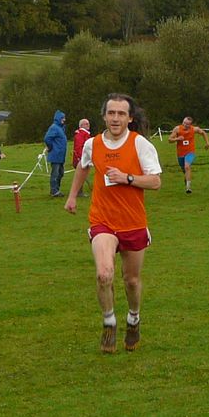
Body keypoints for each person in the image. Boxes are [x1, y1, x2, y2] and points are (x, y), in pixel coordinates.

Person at [65, 94, 161, 354]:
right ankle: (109, 322)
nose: (115, 118)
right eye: (111, 113)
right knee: (103, 273)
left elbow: (155, 182)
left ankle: (133, 318)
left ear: (130, 118)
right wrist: (73, 196)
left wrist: (126, 178)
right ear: (104, 116)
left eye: (121, 114)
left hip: (133, 222)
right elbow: (83, 167)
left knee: (131, 280)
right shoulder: (92, 144)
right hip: (102, 221)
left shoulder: (140, 145)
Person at [168, 116, 209, 194]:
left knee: (187, 166)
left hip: (190, 152)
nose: (184, 125)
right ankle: (187, 179)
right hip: (180, 153)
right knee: (185, 170)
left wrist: (207, 143)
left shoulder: (194, 129)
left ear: (190, 125)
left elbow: (203, 132)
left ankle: (188, 188)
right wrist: (177, 139)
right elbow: (169, 139)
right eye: (184, 123)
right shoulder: (177, 129)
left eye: (187, 124)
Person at [44, 109, 68, 197]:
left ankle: (56, 189)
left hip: (61, 156)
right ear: (58, 118)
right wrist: (51, 147)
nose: (64, 119)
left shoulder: (61, 128)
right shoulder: (54, 127)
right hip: (55, 155)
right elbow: (47, 138)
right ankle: (54, 191)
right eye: (63, 118)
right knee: (55, 174)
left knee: (61, 173)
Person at [72, 119, 91, 197]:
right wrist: (80, 158)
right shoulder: (80, 134)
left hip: (85, 158)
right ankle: (79, 192)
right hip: (81, 159)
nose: (88, 125)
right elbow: (79, 147)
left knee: (82, 175)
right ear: (81, 125)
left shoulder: (85, 134)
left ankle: (79, 192)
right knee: (80, 176)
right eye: (86, 124)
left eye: (88, 123)